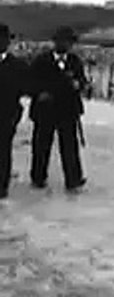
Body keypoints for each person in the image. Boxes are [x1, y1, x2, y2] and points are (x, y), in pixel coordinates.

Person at [29, 26, 89, 193]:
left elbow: (82, 81)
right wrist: (40, 93)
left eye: (68, 42)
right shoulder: (42, 60)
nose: (65, 44)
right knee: (41, 146)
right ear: (55, 42)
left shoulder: (75, 61)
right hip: (45, 109)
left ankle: (73, 179)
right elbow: (31, 81)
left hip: (67, 110)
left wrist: (78, 84)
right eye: (62, 41)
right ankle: (38, 177)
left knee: (70, 146)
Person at [0, 24, 30, 200]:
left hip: (6, 113)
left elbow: (27, 87)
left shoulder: (18, 66)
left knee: (3, 151)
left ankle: (1, 186)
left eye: (3, 39)